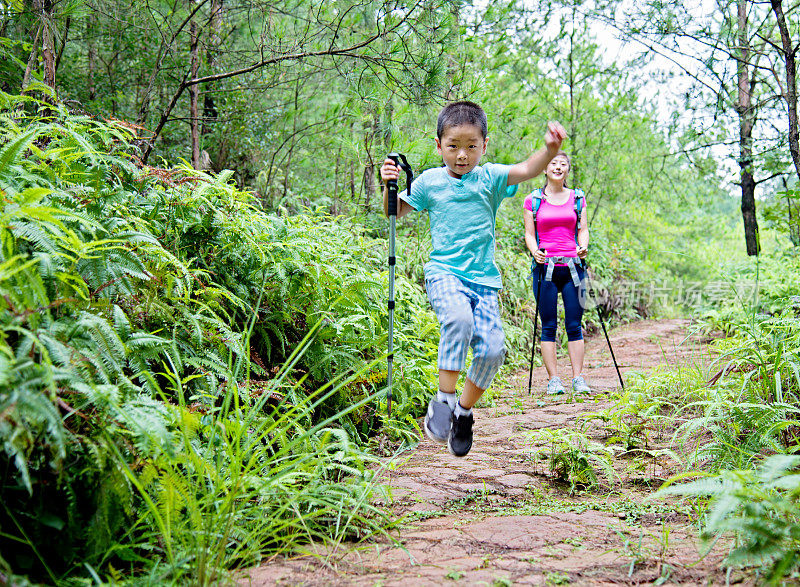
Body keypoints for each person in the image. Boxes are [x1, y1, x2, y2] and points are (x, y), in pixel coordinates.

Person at [381, 101, 566, 457]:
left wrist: (549, 151)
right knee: (458, 319)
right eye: (453, 146)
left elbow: (528, 169)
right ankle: (444, 401)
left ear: (484, 145)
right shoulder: (430, 182)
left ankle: (463, 413)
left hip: (484, 282)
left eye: (470, 146)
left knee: (493, 350)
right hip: (444, 273)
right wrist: (387, 183)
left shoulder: (491, 178)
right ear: (439, 146)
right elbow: (394, 211)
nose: (462, 155)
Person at [523, 151, 591, 395]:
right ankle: (553, 380)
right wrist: (534, 252)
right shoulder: (533, 200)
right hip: (545, 270)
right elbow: (530, 234)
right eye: (553, 163)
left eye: (563, 164)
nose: (558, 167)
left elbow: (583, 229)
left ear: (568, 170)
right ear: (544, 169)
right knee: (548, 325)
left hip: (574, 269)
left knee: (575, 325)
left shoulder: (578, 198)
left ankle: (578, 379)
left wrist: (583, 246)